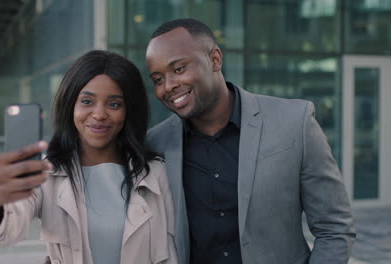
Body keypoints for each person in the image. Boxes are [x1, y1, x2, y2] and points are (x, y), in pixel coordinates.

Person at [145, 18, 355, 264]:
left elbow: (334, 228)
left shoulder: (294, 122)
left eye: (179, 69)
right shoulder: (155, 143)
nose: (168, 86)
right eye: (158, 79)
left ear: (215, 59)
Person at [0, 50, 178, 264]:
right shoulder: (46, 173)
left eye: (114, 104)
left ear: (129, 111)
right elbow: (7, 230)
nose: (99, 114)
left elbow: (173, 253)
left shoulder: (156, 173)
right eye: (87, 101)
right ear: (70, 105)